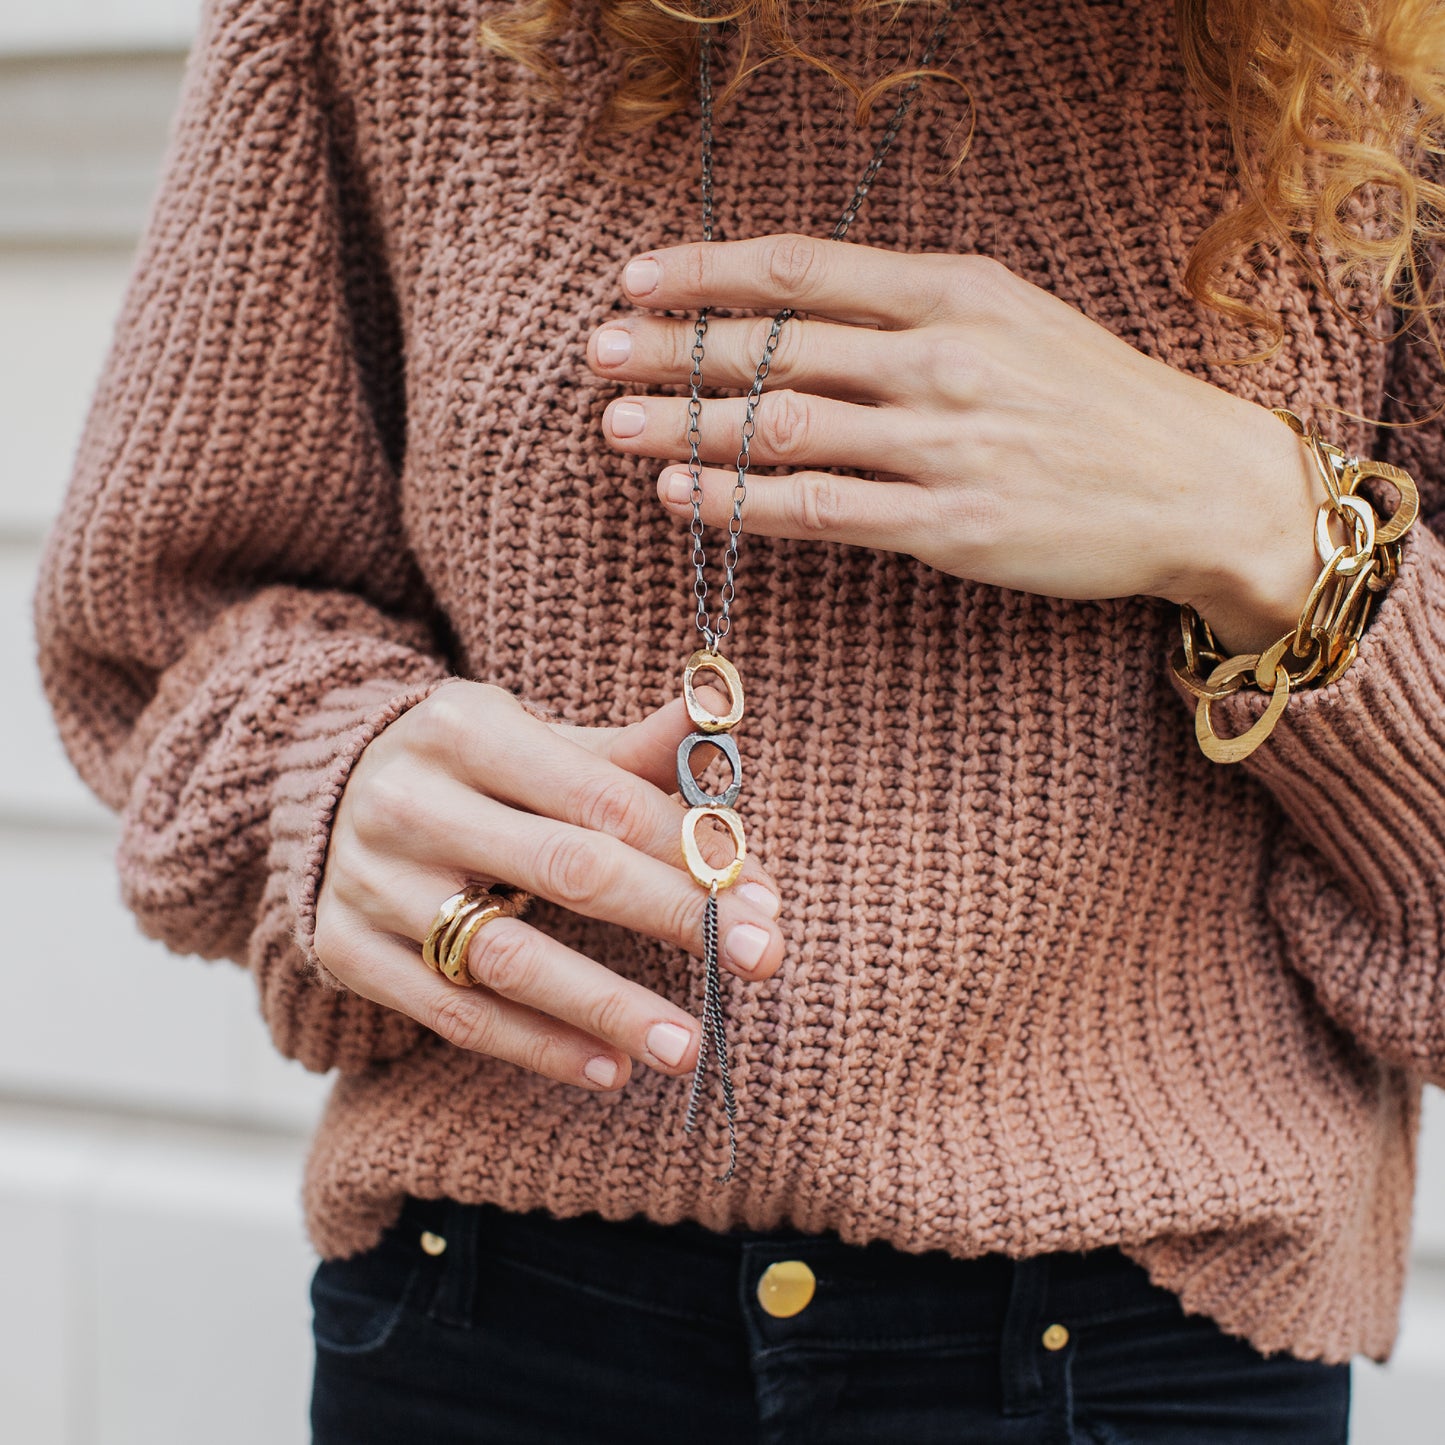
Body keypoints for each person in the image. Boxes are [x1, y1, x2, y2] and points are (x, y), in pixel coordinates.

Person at [31, 0, 1445, 1440]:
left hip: (1136, 1346)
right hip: (490, 1315)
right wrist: (327, 776)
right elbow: (171, 622)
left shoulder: (1397, 56)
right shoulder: (380, 24)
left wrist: (1273, 528)